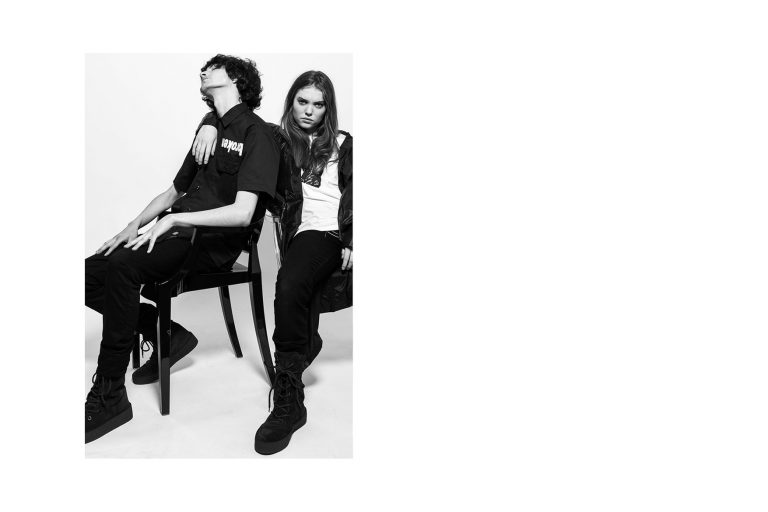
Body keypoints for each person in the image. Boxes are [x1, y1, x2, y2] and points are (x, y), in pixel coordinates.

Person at [84, 54, 279, 444]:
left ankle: (110, 393)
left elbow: (244, 213)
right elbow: (174, 192)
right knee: (88, 273)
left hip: (208, 244)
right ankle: (163, 332)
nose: (203, 71)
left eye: (213, 68)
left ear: (236, 79)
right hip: (175, 233)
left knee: (123, 268)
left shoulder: (259, 136)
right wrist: (132, 226)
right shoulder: (208, 127)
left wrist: (176, 222)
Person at [192, 70, 352, 454]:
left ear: (328, 108)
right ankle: (294, 377)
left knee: (290, 285)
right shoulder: (275, 139)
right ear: (291, 101)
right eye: (302, 101)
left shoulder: (345, 144)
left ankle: (289, 389)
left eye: (318, 104)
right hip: (299, 233)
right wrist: (210, 122)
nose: (309, 111)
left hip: (331, 231)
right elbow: (236, 117)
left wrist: (353, 237)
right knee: (292, 284)